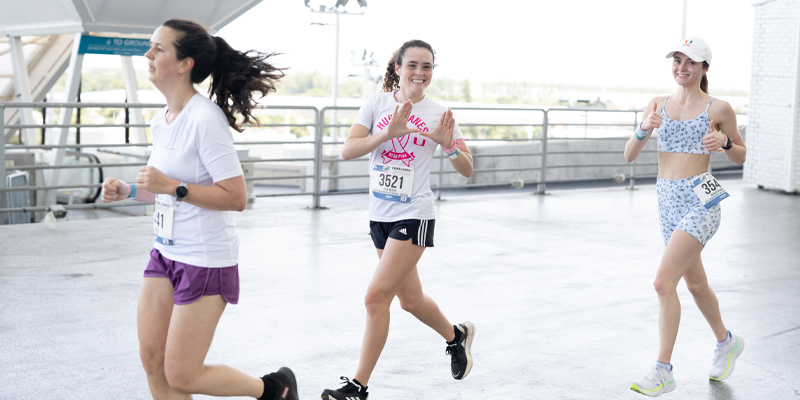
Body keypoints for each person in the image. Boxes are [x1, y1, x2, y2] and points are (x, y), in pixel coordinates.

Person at [101, 18, 297, 400]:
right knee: (152, 359)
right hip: (165, 253)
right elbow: (164, 192)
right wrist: (128, 190)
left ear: (184, 64)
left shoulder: (206, 120)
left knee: (183, 374)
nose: (148, 54)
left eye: (159, 48)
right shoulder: (163, 121)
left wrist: (172, 186)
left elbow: (235, 197)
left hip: (205, 260)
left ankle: (275, 390)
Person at [320, 39, 475, 400]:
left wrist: (448, 144)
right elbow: (348, 150)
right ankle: (457, 337)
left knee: (376, 298)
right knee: (410, 300)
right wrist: (388, 132)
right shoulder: (377, 105)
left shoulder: (440, 114)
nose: (420, 73)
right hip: (380, 215)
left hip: (414, 214)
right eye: (413, 65)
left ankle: (358, 387)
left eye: (427, 67)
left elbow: (467, 169)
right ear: (397, 68)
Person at [624, 37, 747, 397]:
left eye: (690, 62)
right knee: (693, 284)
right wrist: (644, 127)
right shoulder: (657, 104)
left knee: (664, 283)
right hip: (666, 199)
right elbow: (630, 155)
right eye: (677, 60)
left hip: (701, 199)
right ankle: (727, 342)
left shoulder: (718, 108)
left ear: (704, 68)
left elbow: (740, 155)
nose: (681, 67)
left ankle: (663, 370)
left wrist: (724, 144)